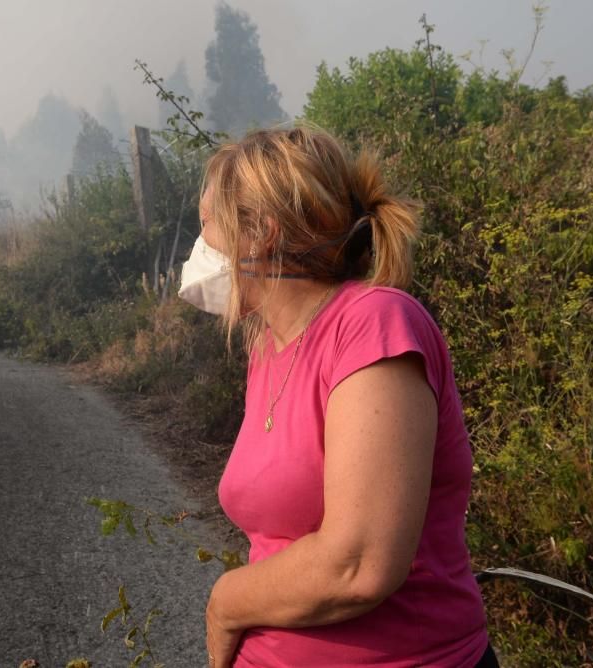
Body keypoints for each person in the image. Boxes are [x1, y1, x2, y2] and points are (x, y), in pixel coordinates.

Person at [177, 126, 497, 667]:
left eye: (208, 225)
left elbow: (357, 565)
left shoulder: (373, 324)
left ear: (259, 233)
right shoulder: (268, 346)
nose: (200, 244)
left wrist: (225, 603)